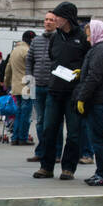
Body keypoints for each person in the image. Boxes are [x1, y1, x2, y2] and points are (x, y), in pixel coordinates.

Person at [34, 1, 89, 181]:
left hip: (73, 92)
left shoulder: (82, 37)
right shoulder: (55, 38)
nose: (54, 19)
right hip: (55, 89)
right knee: (49, 129)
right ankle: (46, 166)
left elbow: (87, 63)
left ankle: (68, 168)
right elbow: (53, 57)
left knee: (73, 132)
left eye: (57, 16)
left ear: (66, 18)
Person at [73, 19, 103, 186]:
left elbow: (95, 76)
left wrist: (82, 97)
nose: (87, 39)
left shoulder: (101, 49)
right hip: (102, 96)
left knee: (97, 138)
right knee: (98, 137)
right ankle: (101, 172)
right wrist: (82, 72)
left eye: (89, 34)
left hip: (98, 98)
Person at [26, 14, 58, 164]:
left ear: (56, 22)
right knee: (39, 120)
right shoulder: (36, 41)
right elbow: (29, 61)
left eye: (51, 20)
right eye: (46, 19)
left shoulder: (59, 39)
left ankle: (56, 153)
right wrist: (28, 80)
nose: (48, 22)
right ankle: (41, 151)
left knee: (53, 122)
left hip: (53, 86)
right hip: (37, 85)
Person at [4, 31, 34, 144]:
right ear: (31, 40)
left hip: (16, 86)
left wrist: (6, 83)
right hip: (27, 85)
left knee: (18, 112)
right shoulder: (28, 51)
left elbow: (8, 69)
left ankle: (15, 137)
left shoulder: (14, 51)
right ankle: (22, 138)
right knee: (26, 114)